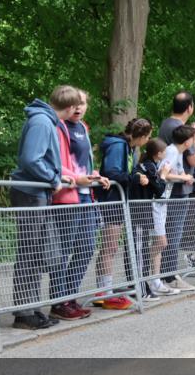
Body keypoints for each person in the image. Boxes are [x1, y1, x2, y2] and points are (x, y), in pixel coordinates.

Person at [8, 86, 78, 330]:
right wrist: (53, 178)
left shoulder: (48, 121)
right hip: (30, 194)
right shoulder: (42, 122)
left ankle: (32, 307)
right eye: (76, 107)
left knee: (37, 253)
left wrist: (58, 177)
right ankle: (24, 312)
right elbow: (31, 159)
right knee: (29, 253)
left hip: (38, 193)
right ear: (69, 108)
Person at [48, 88, 109, 321]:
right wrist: (75, 179)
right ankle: (59, 300)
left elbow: (84, 163)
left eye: (83, 103)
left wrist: (95, 174)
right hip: (68, 194)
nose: (79, 108)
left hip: (87, 195)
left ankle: (70, 297)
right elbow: (58, 164)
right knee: (63, 251)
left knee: (86, 248)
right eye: (75, 104)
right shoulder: (58, 126)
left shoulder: (83, 128)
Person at [95, 117, 152, 309]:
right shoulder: (119, 146)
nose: (148, 140)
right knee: (110, 246)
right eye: (148, 137)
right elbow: (112, 172)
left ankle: (105, 289)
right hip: (111, 199)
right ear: (142, 136)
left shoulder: (129, 147)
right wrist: (134, 178)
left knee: (111, 247)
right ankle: (104, 291)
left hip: (118, 200)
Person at [158, 92, 195, 292]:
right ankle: (169, 276)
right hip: (178, 189)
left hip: (173, 188)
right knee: (173, 234)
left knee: (169, 233)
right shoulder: (177, 128)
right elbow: (194, 160)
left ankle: (165, 275)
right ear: (190, 108)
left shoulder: (165, 124)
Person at [130, 138, 177, 296]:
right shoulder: (149, 167)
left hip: (150, 211)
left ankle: (154, 281)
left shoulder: (151, 165)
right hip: (147, 210)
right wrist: (163, 175)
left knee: (156, 245)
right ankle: (146, 283)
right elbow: (159, 189)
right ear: (159, 153)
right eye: (164, 152)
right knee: (158, 244)